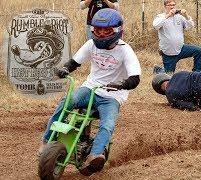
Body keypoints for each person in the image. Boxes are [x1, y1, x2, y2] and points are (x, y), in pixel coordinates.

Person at [38, 9, 141, 175]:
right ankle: (46, 142)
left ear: (117, 31)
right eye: (97, 30)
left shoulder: (125, 50)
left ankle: (95, 154)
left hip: (112, 95)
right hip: (90, 88)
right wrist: (65, 69)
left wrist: (121, 84)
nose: (101, 34)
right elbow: (74, 62)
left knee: (107, 124)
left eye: (106, 30)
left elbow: (135, 78)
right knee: (66, 102)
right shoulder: (91, 44)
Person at [153, 0, 201, 73]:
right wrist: (168, 16)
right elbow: (155, 26)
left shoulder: (179, 17)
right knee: (169, 74)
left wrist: (186, 15)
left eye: (173, 5)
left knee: (198, 51)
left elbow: (190, 25)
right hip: (168, 52)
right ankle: (158, 70)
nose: (172, 7)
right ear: (165, 6)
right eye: (169, 5)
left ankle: (196, 73)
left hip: (181, 48)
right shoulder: (160, 17)